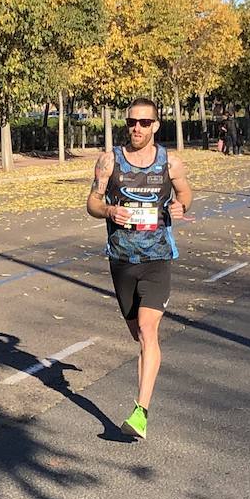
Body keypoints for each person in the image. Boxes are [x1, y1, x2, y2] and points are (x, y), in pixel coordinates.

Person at [86, 97, 193, 440]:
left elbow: (186, 194)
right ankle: (144, 392)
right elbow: (92, 202)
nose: (136, 128)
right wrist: (108, 212)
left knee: (149, 331)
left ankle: (140, 412)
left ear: (155, 126)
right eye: (132, 122)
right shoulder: (109, 161)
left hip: (157, 258)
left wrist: (180, 207)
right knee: (137, 333)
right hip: (121, 259)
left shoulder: (170, 164)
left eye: (144, 123)